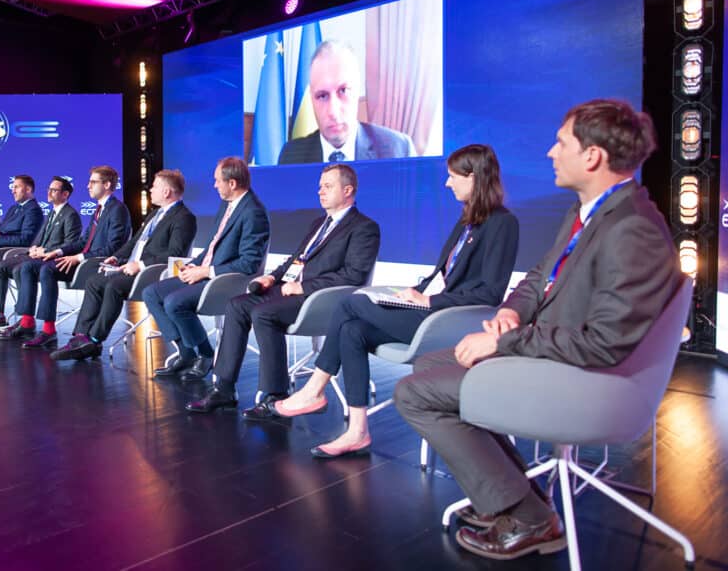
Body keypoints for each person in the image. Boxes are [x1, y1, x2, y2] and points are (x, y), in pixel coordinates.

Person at [394, 99, 677, 561]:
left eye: (561, 143)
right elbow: (539, 277)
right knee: (429, 366)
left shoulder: (632, 229)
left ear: (592, 156)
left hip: (587, 379)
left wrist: (503, 340)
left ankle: (525, 516)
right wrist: (511, 312)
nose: (550, 152)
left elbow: (603, 345)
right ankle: (518, 496)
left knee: (414, 393)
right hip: (556, 354)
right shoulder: (588, 213)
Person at [271, 144, 519, 455]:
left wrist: (429, 302)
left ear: (473, 177)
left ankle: (314, 389)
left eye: (453, 176)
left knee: (351, 302)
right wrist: (413, 293)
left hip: (446, 320)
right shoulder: (467, 220)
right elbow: (444, 276)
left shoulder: (503, 223)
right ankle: (357, 431)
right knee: (352, 330)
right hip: (429, 309)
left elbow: (490, 293)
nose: (447, 183)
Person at [187, 163, 380, 417]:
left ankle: (275, 396)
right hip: (291, 290)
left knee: (264, 313)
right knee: (237, 304)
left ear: (348, 190)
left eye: (328, 186)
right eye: (320, 186)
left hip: (319, 299)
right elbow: (295, 260)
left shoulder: (364, 228)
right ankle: (223, 389)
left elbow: (354, 276)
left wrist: (303, 287)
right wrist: (272, 276)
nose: (320, 191)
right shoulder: (319, 223)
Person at [145, 157, 271, 382]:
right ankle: (186, 354)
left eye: (217, 181)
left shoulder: (253, 212)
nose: (214, 185)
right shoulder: (227, 205)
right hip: (207, 273)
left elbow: (249, 264)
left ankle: (205, 354)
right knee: (152, 293)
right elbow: (213, 246)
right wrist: (195, 263)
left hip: (226, 281)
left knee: (175, 302)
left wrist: (205, 271)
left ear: (232, 183)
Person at [49, 170, 198, 358]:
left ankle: (94, 340)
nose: (150, 190)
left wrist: (140, 265)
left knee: (114, 285)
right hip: (129, 268)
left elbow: (175, 254)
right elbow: (134, 242)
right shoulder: (155, 214)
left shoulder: (184, 217)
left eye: (154, 186)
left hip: (151, 273)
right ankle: (81, 336)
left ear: (167, 192)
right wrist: (116, 257)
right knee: (95, 281)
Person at [6, 166, 131, 346]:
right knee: (29, 266)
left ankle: (48, 330)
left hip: (97, 264)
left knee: (47, 270)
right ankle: (27, 322)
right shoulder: (100, 209)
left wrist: (78, 258)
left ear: (107, 185)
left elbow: (113, 248)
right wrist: (58, 252)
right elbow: (83, 241)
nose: (88, 186)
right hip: (84, 260)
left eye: (93, 182)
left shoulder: (117, 209)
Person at [277, 41, 414, 165]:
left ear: (357, 90)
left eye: (343, 91)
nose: (333, 111)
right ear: (312, 99)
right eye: (322, 96)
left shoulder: (398, 150)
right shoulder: (291, 157)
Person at [0, 177, 81, 333]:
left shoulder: (70, 214)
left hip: (52, 258)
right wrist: (33, 248)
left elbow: (70, 244)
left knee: (22, 268)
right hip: (38, 254)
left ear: (65, 194)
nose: (49, 192)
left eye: (54, 190)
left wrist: (45, 251)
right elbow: (39, 238)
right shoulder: (52, 212)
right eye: (49, 189)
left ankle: (26, 320)